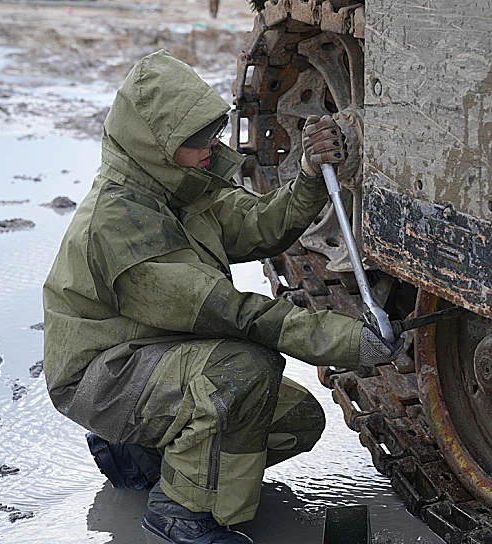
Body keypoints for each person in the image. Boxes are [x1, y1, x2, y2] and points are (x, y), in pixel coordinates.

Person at [42, 50, 402, 544]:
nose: (209, 148)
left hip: (154, 348)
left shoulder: (178, 187)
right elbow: (229, 312)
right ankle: (182, 515)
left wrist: (310, 176)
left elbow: (258, 224)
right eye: (193, 141)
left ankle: (140, 454)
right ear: (152, 144)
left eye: (210, 132)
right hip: (103, 371)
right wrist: (346, 340)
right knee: (240, 372)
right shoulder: (119, 221)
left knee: (295, 419)